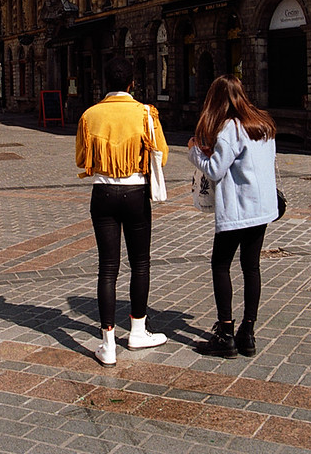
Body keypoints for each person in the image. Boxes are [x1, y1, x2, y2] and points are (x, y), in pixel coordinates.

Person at [76, 56, 169, 367]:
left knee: (107, 267)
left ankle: (108, 345)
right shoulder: (145, 113)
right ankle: (138, 331)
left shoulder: (90, 115)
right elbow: (162, 156)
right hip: (136, 193)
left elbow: (81, 159)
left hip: (103, 193)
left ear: (106, 82)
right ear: (132, 83)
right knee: (140, 263)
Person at [188, 74, 278, 358]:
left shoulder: (230, 128)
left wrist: (194, 152)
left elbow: (215, 170)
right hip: (261, 208)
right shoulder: (262, 124)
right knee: (251, 267)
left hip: (238, 210)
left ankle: (225, 333)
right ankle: (247, 333)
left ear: (217, 101)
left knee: (221, 264)